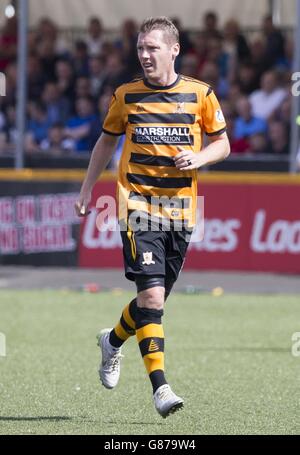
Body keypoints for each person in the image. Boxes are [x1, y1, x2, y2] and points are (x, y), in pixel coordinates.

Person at [75, 16, 230, 418]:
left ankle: (112, 340)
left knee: (151, 305)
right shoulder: (126, 96)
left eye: (152, 48)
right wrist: (87, 188)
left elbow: (222, 143)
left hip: (181, 210)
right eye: (141, 48)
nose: (144, 54)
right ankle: (161, 388)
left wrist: (200, 157)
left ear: (173, 50)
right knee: (152, 298)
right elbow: (105, 142)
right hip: (137, 207)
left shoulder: (200, 94)